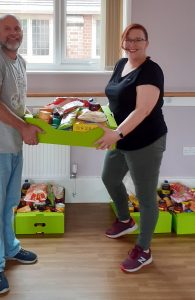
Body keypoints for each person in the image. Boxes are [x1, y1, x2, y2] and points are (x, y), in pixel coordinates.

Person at [0, 14, 42, 294]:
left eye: (17, 29)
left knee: (9, 203)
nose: (13, 33)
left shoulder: (20, 62)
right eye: (7, 29)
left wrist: (36, 122)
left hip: (13, 147)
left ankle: (10, 248)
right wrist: (23, 126)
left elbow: (16, 105)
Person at [96, 23, 167, 273]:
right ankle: (126, 221)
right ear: (122, 42)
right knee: (109, 178)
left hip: (146, 141)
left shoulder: (151, 71)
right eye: (129, 39)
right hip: (121, 138)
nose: (133, 44)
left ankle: (143, 250)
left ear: (147, 43)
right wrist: (98, 118)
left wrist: (116, 132)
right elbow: (115, 99)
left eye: (139, 39)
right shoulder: (120, 64)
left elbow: (143, 110)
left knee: (146, 197)